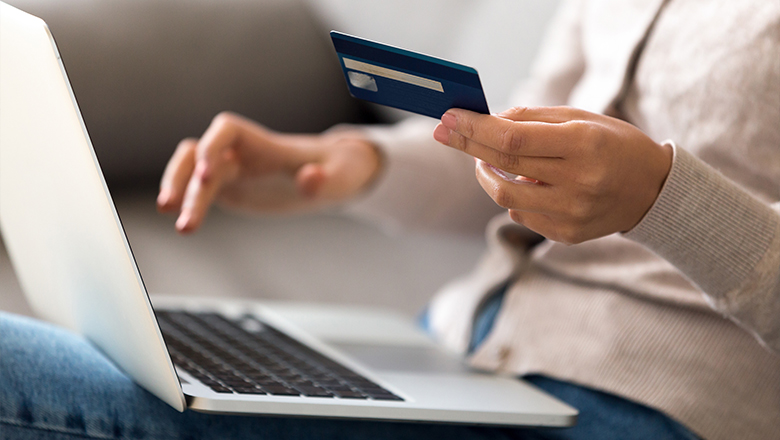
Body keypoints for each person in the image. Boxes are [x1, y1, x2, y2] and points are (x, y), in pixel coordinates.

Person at [2, 0, 777, 439]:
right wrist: (346, 168)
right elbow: (525, 152)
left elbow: (638, 186)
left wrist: (664, 202)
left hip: (653, 412)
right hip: (457, 355)